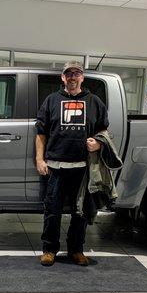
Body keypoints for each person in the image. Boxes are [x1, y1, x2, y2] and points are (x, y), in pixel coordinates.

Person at [35, 61, 109, 266]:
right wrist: (40, 159)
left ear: (82, 78)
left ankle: (76, 250)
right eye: (69, 74)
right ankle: (49, 249)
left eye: (76, 73)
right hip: (55, 168)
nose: (72, 77)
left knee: (81, 212)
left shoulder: (94, 102)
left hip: (83, 169)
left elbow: (104, 131)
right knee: (52, 212)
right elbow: (41, 133)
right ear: (63, 78)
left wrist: (99, 144)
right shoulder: (51, 100)